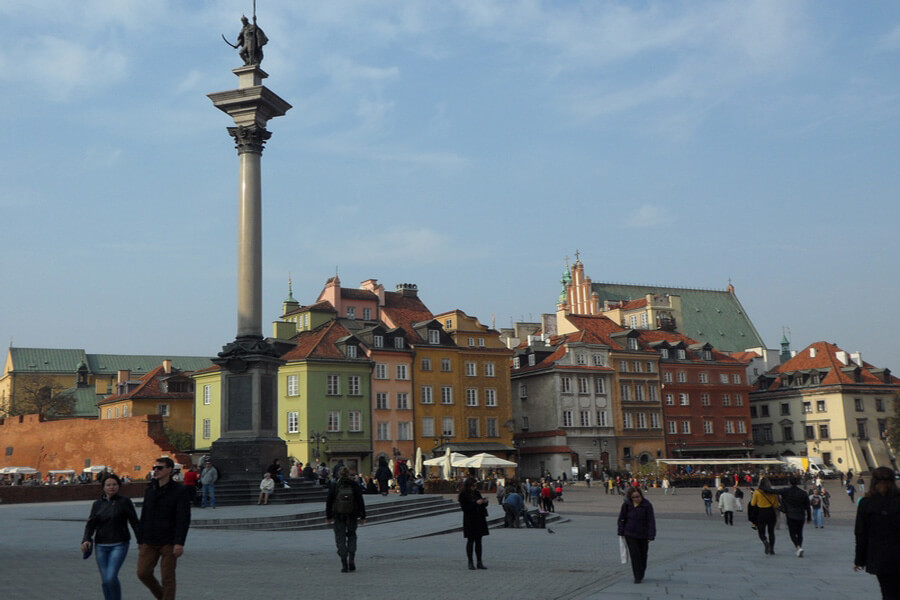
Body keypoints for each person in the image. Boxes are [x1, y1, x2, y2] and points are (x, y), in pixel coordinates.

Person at [137, 457, 191, 600]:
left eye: (160, 468)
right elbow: (145, 514)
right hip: (149, 539)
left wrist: (179, 542)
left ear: (169, 470)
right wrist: (140, 538)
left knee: (167, 577)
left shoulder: (179, 491)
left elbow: (183, 518)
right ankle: (163, 597)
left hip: (169, 540)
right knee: (142, 572)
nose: (156, 470)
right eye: (155, 467)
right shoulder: (150, 489)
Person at [81, 474, 140, 600]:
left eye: (114, 484)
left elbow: (134, 522)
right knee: (105, 581)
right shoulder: (97, 504)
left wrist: (141, 541)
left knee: (110, 577)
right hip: (101, 545)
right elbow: (91, 524)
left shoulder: (125, 502)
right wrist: (86, 539)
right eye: (108, 485)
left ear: (119, 486)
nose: (111, 487)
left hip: (119, 544)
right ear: (103, 487)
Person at [854, 466, 900, 599]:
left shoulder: (866, 503)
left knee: (888, 592)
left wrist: (859, 560)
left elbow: (861, 533)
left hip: (881, 557)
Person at [325, 467, 366, 573]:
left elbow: (329, 501)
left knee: (340, 538)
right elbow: (360, 500)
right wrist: (363, 516)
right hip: (352, 514)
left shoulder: (335, 485)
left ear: (339, 474)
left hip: (338, 515)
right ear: (348, 474)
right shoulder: (354, 484)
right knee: (352, 535)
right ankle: (351, 558)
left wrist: (328, 516)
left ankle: (344, 563)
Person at [617, 486, 656, 584]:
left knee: (643, 555)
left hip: (643, 534)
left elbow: (651, 520)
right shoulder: (627, 505)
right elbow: (621, 518)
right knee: (635, 555)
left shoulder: (647, 505)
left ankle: (641, 572)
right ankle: (637, 576)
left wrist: (651, 534)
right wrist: (621, 530)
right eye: (634, 497)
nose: (636, 499)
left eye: (638, 497)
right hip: (630, 533)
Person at [772, 475, 812, 558]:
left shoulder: (786, 491)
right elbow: (808, 506)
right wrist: (809, 517)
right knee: (800, 533)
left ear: (789, 483)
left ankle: (798, 547)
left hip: (791, 515)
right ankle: (799, 548)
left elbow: (774, 491)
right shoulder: (803, 493)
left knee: (792, 533)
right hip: (801, 516)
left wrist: (763, 488)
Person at [458, 477, 489, 570]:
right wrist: (476, 503)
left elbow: (481, 502)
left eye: (476, 485)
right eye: (473, 486)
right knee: (470, 541)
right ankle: (470, 562)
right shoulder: (463, 495)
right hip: (470, 520)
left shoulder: (477, 493)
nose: (475, 487)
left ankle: (479, 562)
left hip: (479, 519)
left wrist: (484, 502)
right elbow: (465, 508)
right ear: (469, 486)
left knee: (479, 541)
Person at [750, 476, 779, 555]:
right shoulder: (772, 492)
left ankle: (765, 542)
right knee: (771, 532)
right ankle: (772, 549)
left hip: (761, 513)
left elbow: (753, 503)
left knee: (761, 531)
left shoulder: (757, 492)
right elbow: (776, 505)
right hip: (771, 512)